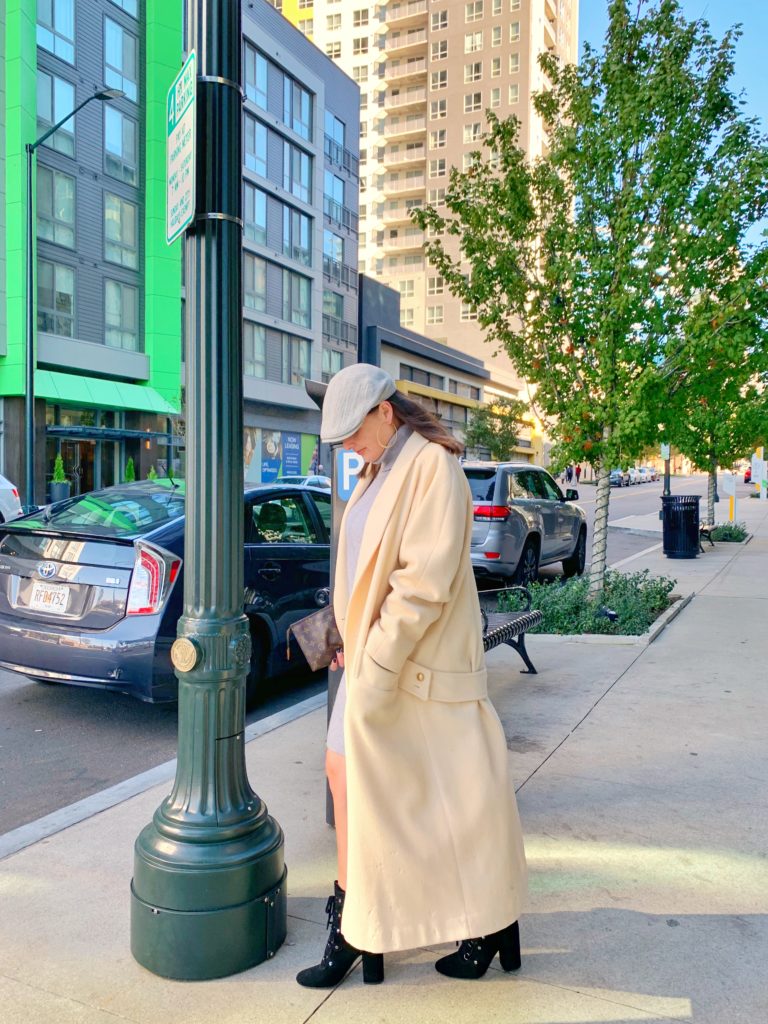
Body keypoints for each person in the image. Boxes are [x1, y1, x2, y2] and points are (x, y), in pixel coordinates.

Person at [296, 363, 527, 989]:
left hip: (413, 667)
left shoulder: (432, 466)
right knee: (356, 783)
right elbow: (364, 571)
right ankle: (357, 926)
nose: (346, 446)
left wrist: (375, 661)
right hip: (379, 662)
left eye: (352, 431)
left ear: (385, 413)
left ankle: (482, 920)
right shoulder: (378, 468)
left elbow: (421, 585)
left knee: (452, 808)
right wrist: (343, 632)